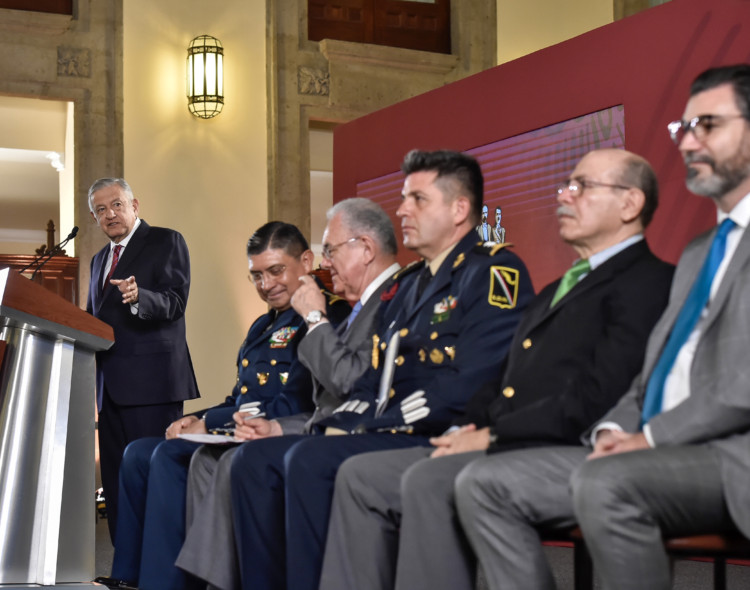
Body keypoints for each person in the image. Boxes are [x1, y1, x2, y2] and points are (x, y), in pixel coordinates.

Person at [318, 148, 675, 590]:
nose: (565, 195)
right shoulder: (554, 292)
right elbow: (502, 379)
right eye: (567, 184)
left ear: (630, 204)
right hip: (514, 439)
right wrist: (464, 428)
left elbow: (599, 393)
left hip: (572, 445)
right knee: (362, 476)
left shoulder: (650, 282)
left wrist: (494, 434)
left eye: (583, 187)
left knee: (430, 481)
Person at [455, 64, 750, 590]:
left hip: (730, 452)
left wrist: (651, 436)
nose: (687, 143)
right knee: (486, 484)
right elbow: (653, 374)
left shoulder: (658, 272)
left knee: (604, 481)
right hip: (659, 444)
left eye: (708, 125)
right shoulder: (701, 251)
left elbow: (740, 387)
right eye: (683, 129)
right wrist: (618, 430)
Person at [222, 149, 534, 590]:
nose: (402, 209)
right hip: (400, 425)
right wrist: (343, 421)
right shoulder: (414, 286)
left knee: (310, 460)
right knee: (266, 458)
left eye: (418, 199)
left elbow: (475, 380)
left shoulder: (492, 271)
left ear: (459, 209)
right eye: (404, 198)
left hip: (444, 432)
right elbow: (377, 377)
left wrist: (370, 424)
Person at [99, 222, 349, 590]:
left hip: (280, 435)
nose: (266, 285)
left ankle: (166, 582)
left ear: (307, 261)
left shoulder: (328, 317)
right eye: (257, 276)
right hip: (240, 426)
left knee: (168, 457)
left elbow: (295, 403)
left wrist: (213, 424)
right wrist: (196, 418)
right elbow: (240, 397)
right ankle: (128, 577)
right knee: (138, 453)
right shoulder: (263, 324)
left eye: (276, 271)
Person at [174, 197, 400, 590]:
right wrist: (270, 428)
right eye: (257, 275)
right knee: (205, 459)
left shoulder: (371, 305)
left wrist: (314, 318)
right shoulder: (281, 320)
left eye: (330, 251)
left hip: (357, 435)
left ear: (364, 249)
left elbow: (347, 387)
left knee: (241, 463)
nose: (328, 263)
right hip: (311, 425)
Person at [86, 178, 199, 544]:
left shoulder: (166, 241)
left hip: (152, 385)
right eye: (100, 210)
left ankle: (160, 569)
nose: (110, 214)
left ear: (135, 205)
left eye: (116, 204)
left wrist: (139, 297)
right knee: (118, 484)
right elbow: (94, 320)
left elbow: (175, 302)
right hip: (110, 389)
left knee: (155, 477)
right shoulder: (98, 260)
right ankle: (125, 568)